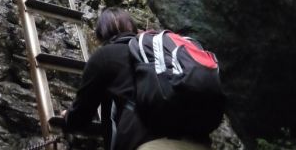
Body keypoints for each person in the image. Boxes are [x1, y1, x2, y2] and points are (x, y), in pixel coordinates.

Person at [62, 8, 213, 150]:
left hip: (150, 144)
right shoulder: (158, 56)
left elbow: (81, 116)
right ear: (134, 29)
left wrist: (68, 118)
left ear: (102, 34)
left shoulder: (105, 56)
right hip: (200, 143)